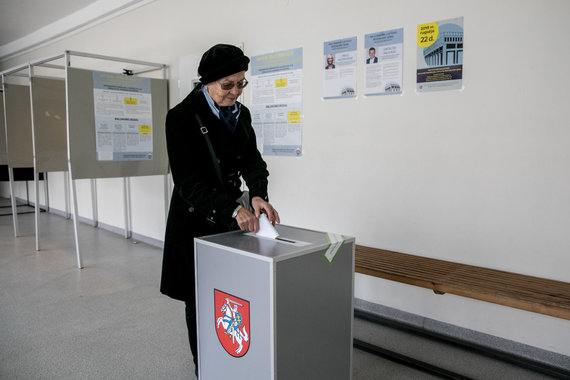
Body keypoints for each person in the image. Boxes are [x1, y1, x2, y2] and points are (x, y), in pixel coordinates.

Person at [160, 44, 280, 376]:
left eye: (241, 83)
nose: (235, 91)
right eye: (228, 84)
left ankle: (233, 359)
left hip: (232, 218)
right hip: (196, 219)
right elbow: (187, 182)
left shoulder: (241, 115)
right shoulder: (181, 117)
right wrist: (231, 209)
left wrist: (257, 195)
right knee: (199, 298)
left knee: (231, 293)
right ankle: (206, 367)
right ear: (206, 81)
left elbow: (254, 164)